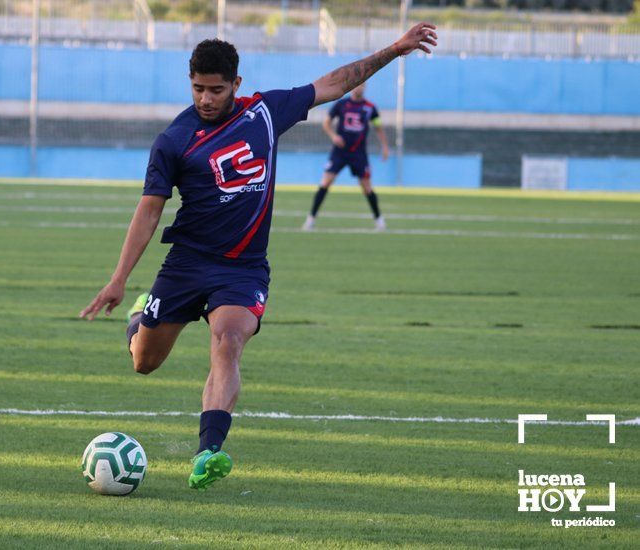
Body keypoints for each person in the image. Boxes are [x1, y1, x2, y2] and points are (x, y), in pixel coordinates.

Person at [80, 23, 437, 490]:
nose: (206, 99)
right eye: (198, 89)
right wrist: (119, 278)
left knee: (227, 341)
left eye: (216, 89)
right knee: (144, 362)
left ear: (236, 85)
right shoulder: (173, 140)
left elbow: (336, 81)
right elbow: (149, 211)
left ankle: (208, 451)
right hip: (186, 264)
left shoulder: (265, 113)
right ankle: (139, 316)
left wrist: (395, 49)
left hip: (243, 268)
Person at [302, 83, 389, 231]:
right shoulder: (341, 104)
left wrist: (385, 147)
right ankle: (310, 219)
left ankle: (379, 221)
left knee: (366, 187)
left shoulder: (370, 108)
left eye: (362, 85)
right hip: (340, 151)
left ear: (365, 87)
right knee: (325, 182)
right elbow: (326, 123)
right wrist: (334, 136)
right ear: (353, 86)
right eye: (357, 85)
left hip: (359, 153)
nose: (359, 88)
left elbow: (378, 128)